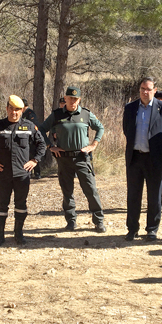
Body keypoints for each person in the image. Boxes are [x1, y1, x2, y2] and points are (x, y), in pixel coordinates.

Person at [0, 95, 46, 246]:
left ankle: (19, 234)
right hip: (4, 174)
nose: (14, 112)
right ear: (7, 109)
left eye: (17, 110)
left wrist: (35, 160)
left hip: (22, 174)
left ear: (22, 110)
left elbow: (42, 145)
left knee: (21, 205)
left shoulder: (29, 126)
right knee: (2, 205)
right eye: (11, 109)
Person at [39, 86, 106, 232]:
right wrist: (50, 146)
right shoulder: (57, 115)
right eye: (70, 98)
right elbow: (41, 129)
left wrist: (93, 145)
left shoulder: (86, 114)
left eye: (75, 99)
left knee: (90, 189)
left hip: (82, 157)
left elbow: (100, 128)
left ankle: (98, 221)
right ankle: (71, 221)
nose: (72, 101)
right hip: (63, 159)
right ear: (65, 98)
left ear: (79, 99)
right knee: (67, 191)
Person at [122, 77, 162, 241]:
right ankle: (132, 229)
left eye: (148, 89)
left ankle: (152, 229)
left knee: (154, 196)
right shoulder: (131, 108)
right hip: (135, 158)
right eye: (142, 89)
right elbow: (127, 130)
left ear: (154, 90)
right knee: (133, 195)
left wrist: (157, 147)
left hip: (154, 159)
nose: (145, 92)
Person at [22, 98, 41, 180]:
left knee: (33, 155)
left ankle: (37, 173)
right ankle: (28, 173)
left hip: (32, 138)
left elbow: (34, 125)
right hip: (25, 138)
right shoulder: (23, 114)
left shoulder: (30, 113)